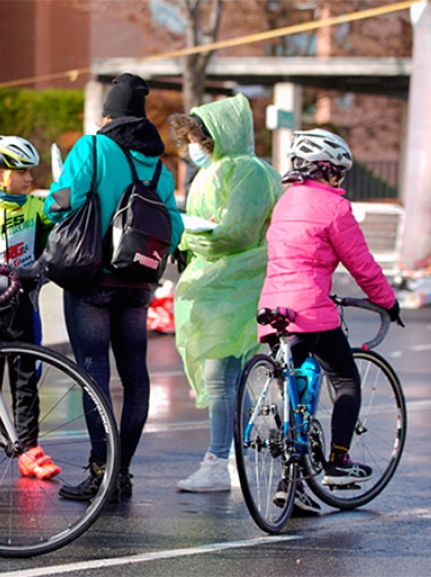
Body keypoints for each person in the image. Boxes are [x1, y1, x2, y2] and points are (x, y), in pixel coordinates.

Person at [43, 73, 184, 503]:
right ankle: (122, 473)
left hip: (93, 277)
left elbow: (61, 200)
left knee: (93, 373)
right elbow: (174, 227)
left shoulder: (92, 147)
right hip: (138, 281)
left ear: (108, 114)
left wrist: (54, 207)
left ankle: (100, 471)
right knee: (135, 375)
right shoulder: (158, 165)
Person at [259, 128, 402, 513]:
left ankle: (294, 483)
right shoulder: (335, 208)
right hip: (311, 309)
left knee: (297, 385)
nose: (339, 181)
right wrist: (388, 303)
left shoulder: (284, 203)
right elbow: (363, 266)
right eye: (337, 173)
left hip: (272, 309)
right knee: (344, 378)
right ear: (324, 170)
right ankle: (338, 462)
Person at [169, 94, 283, 493]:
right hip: (218, 285)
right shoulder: (216, 172)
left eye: (199, 139)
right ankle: (240, 455)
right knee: (231, 379)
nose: (194, 148)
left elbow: (237, 231)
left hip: (239, 284)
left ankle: (218, 460)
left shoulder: (248, 173)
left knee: (221, 377)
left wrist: (191, 236)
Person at [0, 136, 60, 480]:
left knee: (25, 379)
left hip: (23, 306)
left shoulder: (36, 207)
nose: (30, 179)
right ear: (0, 174)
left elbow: (57, 233)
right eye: (22, 172)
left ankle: (29, 448)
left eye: (31, 172)